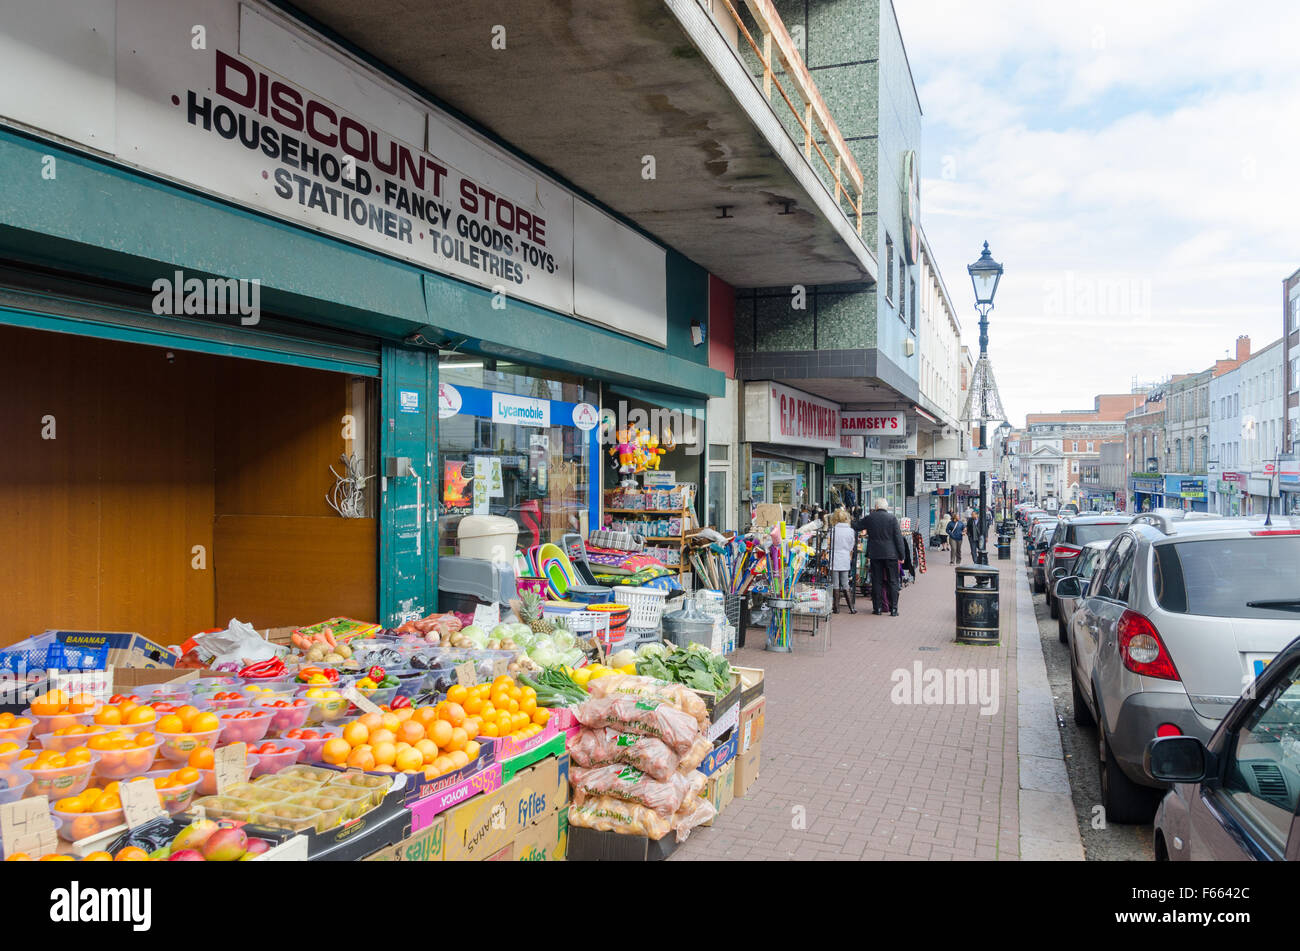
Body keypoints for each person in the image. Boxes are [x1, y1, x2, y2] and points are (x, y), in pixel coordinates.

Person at [864, 498, 907, 617]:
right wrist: (901, 555)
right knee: (893, 581)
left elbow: (856, 525)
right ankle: (894, 609)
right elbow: (898, 539)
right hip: (891, 554)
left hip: (875, 554)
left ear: (876, 507)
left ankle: (877, 608)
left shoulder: (870, 517)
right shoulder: (892, 519)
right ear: (886, 507)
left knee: (876, 581)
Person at [828, 507, 858, 614]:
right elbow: (851, 546)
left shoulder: (832, 530)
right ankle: (851, 607)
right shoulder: (850, 531)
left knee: (835, 584)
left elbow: (829, 545)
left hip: (834, 558)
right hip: (845, 557)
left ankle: (836, 607)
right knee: (845, 583)